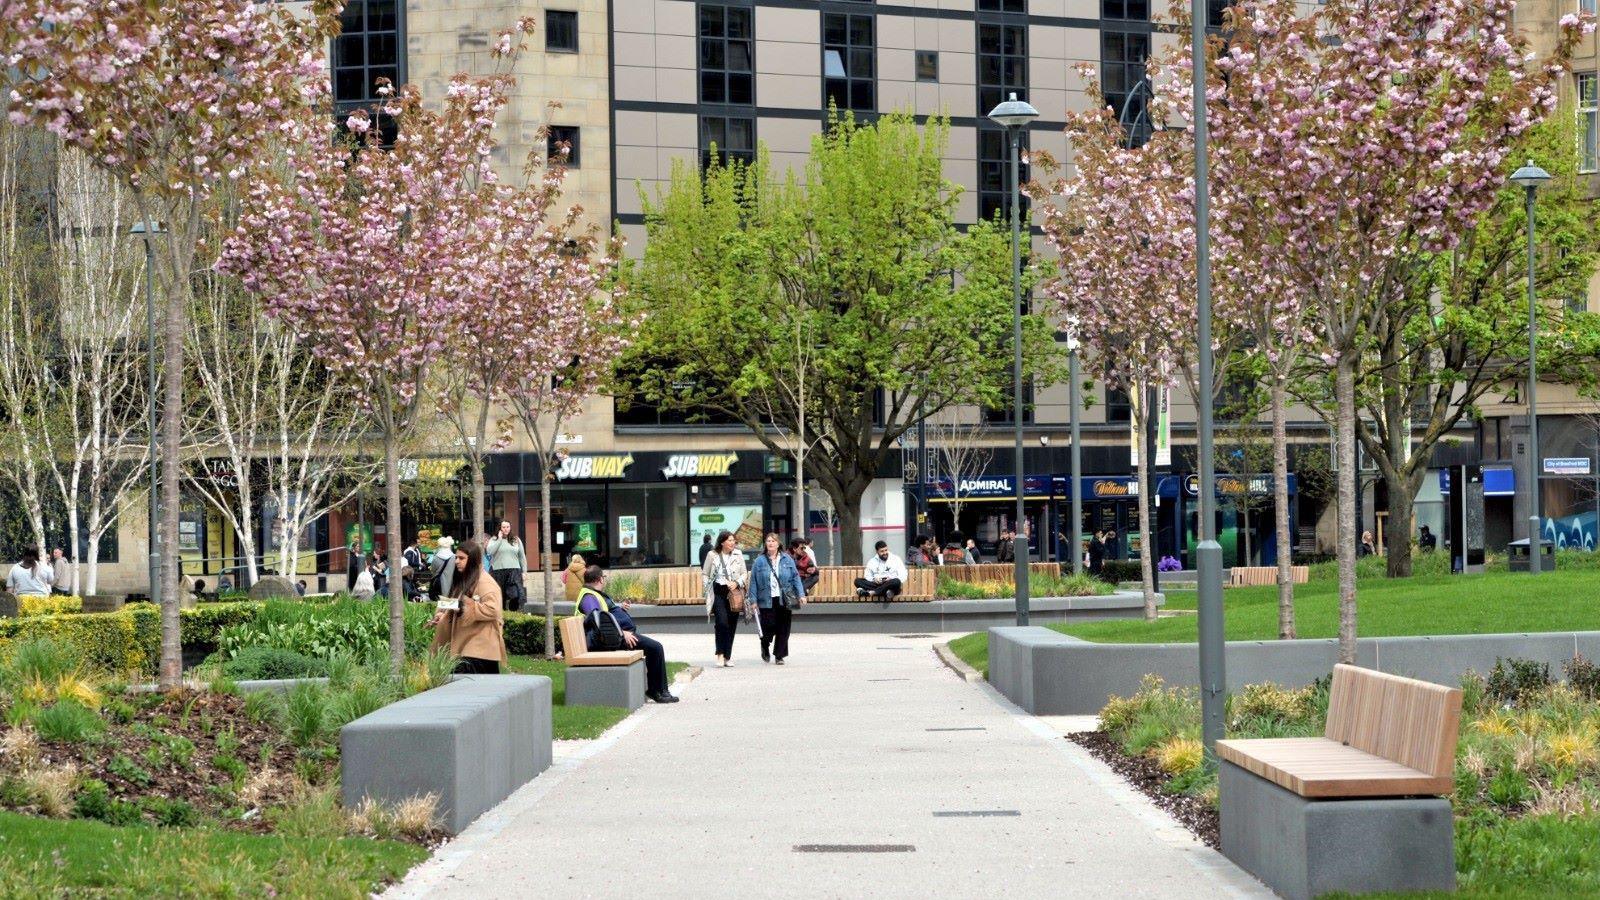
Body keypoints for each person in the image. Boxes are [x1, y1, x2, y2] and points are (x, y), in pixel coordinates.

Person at [576, 565, 677, 702]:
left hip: (610, 638)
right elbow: (597, 621)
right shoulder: (588, 597)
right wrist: (623, 633)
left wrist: (620, 608)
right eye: (603, 577)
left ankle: (658, 690)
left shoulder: (591, 594)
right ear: (600, 579)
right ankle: (658, 691)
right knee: (655, 648)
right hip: (608, 640)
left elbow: (603, 615)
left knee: (654, 647)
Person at [427, 539, 506, 674]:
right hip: (468, 648)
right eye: (456, 557)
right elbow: (457, 603)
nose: (457, 561)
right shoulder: (466, 579)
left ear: (473, 560)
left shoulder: (485, 582)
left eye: (462, 558)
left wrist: (466, 607)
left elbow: (493, 609)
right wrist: (443, 614)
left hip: (479, 650)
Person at [751, 532, 806, 664]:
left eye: (773, 541)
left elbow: (795, 578)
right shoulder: (759, 561)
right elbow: (753, 581)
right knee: (768, 627)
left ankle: (779, 655)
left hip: (784, 598)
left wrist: (801, 594)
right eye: (768, 541)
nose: (770, 543)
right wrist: (753, 600)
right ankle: (765, 645)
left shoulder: (787, 559)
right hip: (765, 599)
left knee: (783, 628)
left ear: (778, 544)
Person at [701, 530, 747, 667]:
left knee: (732, 625)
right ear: (722, 542)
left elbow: (744, 573)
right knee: (722, 623)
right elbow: (705, 574)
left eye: (733, 540)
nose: (733, 543)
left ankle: (728, 656)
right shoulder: (712, 555)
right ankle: (720, 654)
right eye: (730, 540)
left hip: (734, 593)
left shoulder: (738, 555)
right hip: (718, 592)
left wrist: (737, 583)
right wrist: (707, 586)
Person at [485, 521, 528, 612]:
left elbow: (522, 556)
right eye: (503, 527)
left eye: (508, 527)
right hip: (498, 571)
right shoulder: (494, 539)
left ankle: (513, 613)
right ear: (500, 528)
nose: (506, 529)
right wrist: (499, 539)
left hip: (514, 571)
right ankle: (503, 616)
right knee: (500, 596)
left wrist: (524, 571)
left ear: (510, 528)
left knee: (515, 594)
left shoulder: (516, 540)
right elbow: (490, 551)